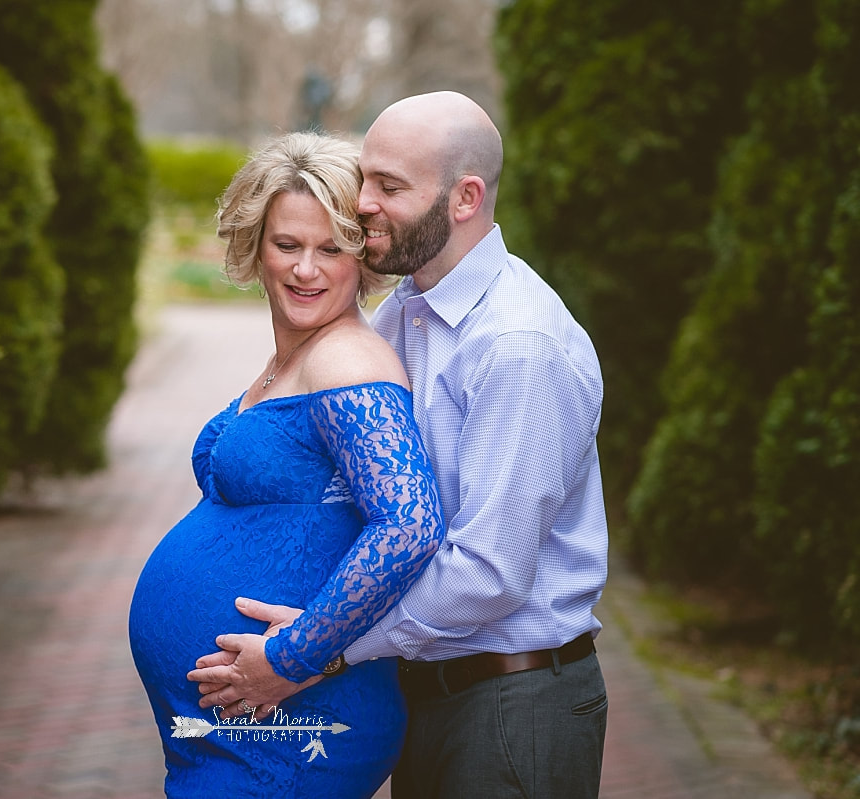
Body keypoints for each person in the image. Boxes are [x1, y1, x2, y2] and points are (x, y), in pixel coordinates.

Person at [190, 91, 610, 798]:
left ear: (465, 198)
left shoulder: (517, 344)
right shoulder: (405, 315)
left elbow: (489, 570)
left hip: (514, 702)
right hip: (428, 693)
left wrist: (320, 649)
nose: (364, 205)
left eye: (389, 187)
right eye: (367, 180)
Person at [128, 131, 447, 797]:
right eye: (288, 244)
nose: (307, 268)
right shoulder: (293, 360)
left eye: (332, 248)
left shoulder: (346, 359)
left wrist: (292, 654)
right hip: (235, 729)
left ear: (362, 258)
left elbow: (410, 523)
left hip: (295, 724)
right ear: (256, 246)